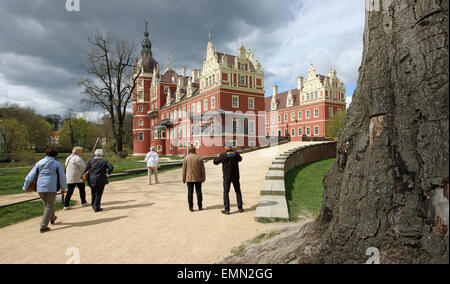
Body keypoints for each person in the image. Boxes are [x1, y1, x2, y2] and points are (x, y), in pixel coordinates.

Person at [23, 148, 66, 233]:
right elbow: (62, 177)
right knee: (49, 205)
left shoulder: (39, 162)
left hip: (40, 186)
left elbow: (30, 176)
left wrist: (25, 186)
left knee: (47, 204)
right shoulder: (57, 163)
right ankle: (43, 226)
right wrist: (63, 188)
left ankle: (52, 218)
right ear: (56, 155)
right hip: (51, 186)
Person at [213, 146, 244, 215]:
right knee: (238, 191)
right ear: (231, 148)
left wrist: (217, 156)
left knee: (226, 192)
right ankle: (240, 208)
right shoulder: (235, 154)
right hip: (235, 176)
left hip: (227, 177)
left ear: (226, 148)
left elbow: (215, 162)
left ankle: (227, 209)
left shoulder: (223, 155)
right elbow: (240, 159)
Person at [182, 144, 206, 212]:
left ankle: (191, 207)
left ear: (189, 150)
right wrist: (203, 177)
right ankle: (200, 206)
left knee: (190, 192)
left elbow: (184, 169)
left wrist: (183, 178)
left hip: (189, 178)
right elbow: (202, 169)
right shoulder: (199, 158)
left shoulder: (186, 158)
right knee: (199, 192)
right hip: (198, 177)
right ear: (195, 149)